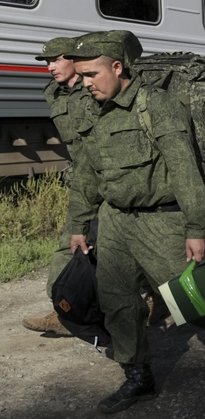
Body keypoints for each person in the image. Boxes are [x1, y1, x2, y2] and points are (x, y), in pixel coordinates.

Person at [65, 30, 205, 414]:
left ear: (118, 67)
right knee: (117, 302)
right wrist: (78, 224)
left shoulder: (156, 104)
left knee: (190, 299)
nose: (85, 83)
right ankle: (138, 378)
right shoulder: (94, 110)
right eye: (81, 76)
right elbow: (85, 173)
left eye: (92, 74)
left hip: (161, 221)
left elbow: (184, 170)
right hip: (114, 221)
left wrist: (196, 229)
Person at [20, 37, 97, 337]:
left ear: (75, 60)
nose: (50, 67)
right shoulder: (55, 92)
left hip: (110, 178)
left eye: (56, 59)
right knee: (72, 243)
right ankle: (63, 312)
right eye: (46, 62)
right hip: (85, 180)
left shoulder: (96, 89)